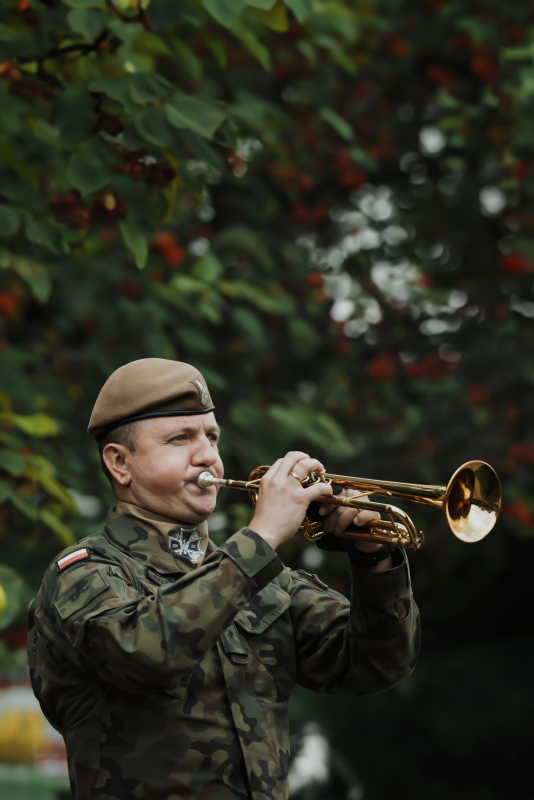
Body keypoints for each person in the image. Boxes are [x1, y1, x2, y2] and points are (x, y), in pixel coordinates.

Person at [28, 358, 420, 800]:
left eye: (211, 436)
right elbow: (146, 652)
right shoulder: (84, 572)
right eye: (180, 438)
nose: (207, 455)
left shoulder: (267, 580)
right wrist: (263, 536)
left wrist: (374, 556)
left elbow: (377, 663)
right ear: (120, 464)